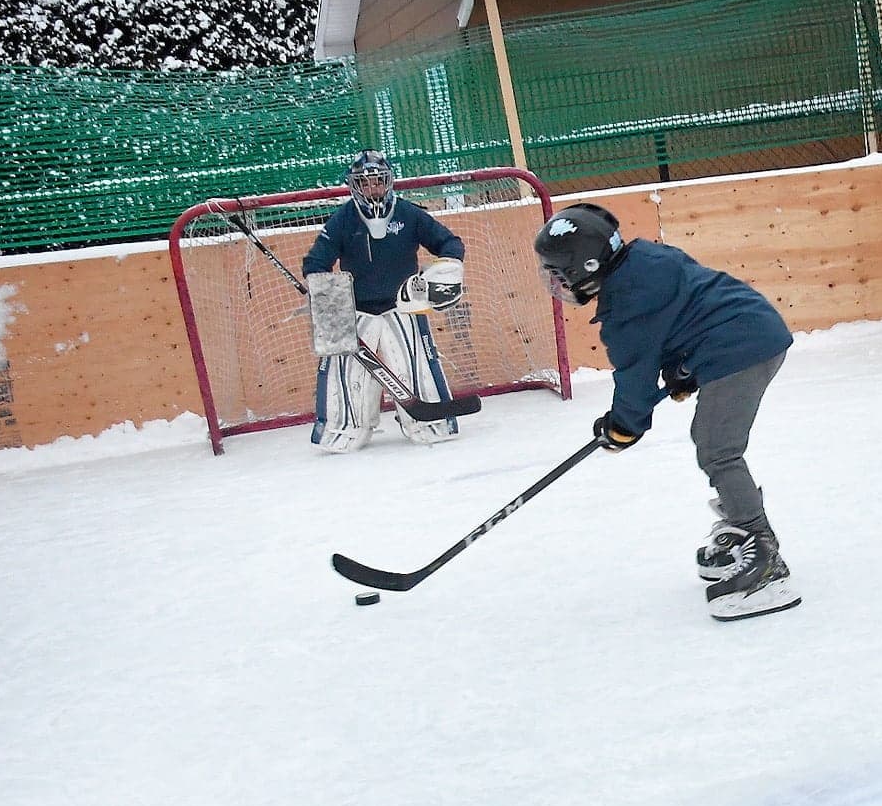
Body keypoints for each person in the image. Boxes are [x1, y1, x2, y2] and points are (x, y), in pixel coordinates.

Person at [532, 202, 800, 622]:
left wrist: (622, 427)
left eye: (558, 273)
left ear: (585, 266)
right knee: (713, 444)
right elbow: (688, 307)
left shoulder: (624, 307)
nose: (555, 282)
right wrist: (683, 368)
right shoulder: (645, 257)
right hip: (751, 331)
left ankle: (762, 556)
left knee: (717, 450)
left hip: (741, 349)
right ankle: (741, 533)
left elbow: (635, 382)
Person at [302, 150, 467, 453]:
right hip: (357, 312)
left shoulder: (409, 214)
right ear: (355, 186)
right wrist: (325, 294)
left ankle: (430, 422)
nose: (373, 188)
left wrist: (448, 266)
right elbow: (315, 262)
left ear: (388, 181)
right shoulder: (342, 220)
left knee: (417, 367)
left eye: (378, 181)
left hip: (404, 307)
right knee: (344, 376)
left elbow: (450, 243)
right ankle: (346, 429)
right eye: (365, 183)